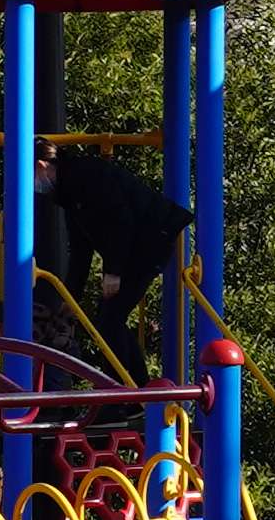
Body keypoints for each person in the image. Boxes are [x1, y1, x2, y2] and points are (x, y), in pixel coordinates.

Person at [42, 144, 196, 378]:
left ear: (42, 166)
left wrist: (113, 271)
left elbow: (120, 221)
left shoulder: (84, 176)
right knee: (109, 319)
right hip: (136, 245)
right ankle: (135, 392)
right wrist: (71, 298)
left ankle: (126, 394)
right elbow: (81, 250)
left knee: (109, 320)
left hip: (152, 237)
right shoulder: (69, 193)